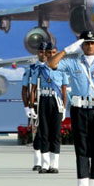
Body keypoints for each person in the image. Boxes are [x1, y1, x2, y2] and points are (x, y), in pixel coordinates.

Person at [48, 31, 94, 186]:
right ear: (81, 45)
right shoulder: (72, 63)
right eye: (86, 43)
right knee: (81, 149)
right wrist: (66, 50)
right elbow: (51, 63)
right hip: (79, 110)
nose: (89, 46)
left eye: (93, 43)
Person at [29, 42, 68, 174]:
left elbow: (64, 90)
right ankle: (45, 164)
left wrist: (64, 107)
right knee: (44, 132)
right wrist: (31, 107)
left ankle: (54, 164)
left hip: (57, 101)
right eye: (49, 52)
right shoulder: (40, 69)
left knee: (55, 134)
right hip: (44, 100)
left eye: (54, 53)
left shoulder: (62, 70)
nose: (51, 55)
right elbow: (33, 89)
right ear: (46, 53)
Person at [25, 44, 48, 170]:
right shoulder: (32, 67)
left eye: (45, 52)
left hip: (50, 103)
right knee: (37, 133)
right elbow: (25, 88)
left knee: (48, 133)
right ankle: (37, 161)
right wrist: (27, 106)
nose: (43, 54)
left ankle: (48, 161)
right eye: (41, 52)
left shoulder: (54, 66)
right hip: (36, 104)